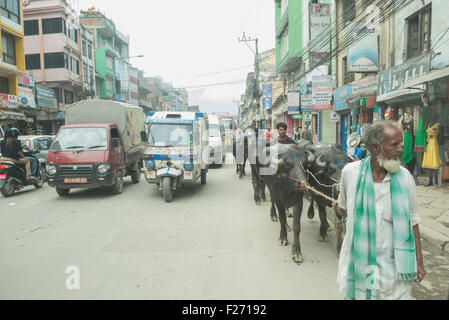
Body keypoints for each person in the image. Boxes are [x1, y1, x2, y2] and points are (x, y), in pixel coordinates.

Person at [337, 121, 425, 300]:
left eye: (401, 143)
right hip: (358, 264)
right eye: (395, 145)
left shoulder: (405, 177)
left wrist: (419, 261)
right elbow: (342, 208)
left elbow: (413, 221)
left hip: (394, 269)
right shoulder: (350, 173)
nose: (401, 149)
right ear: (376, 147)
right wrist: (338, 210)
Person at [422, 118, 442, 187]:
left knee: (434, 162)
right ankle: (430, 181)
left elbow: (434, 132)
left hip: (433, 144)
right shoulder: (428, 125)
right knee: (429, 162)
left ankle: (436, 182)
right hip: (428, 144)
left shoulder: (437, 125)